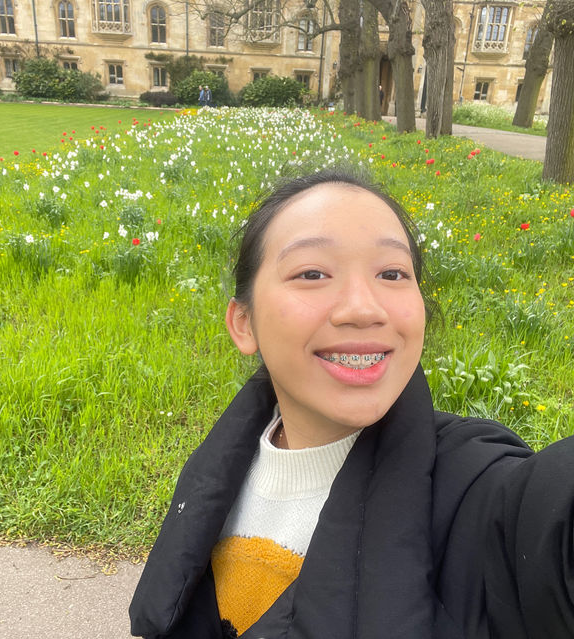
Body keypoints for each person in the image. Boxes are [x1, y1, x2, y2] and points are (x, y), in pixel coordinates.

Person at [129, 169, 574, 639]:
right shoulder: (218, 469)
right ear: (243, 323)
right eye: (313, 273)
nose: (364, 309)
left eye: (392, 273)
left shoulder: (478, 488)